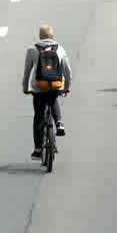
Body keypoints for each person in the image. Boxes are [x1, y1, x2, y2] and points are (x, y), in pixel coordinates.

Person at [23, 24, 72, 159]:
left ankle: (38, 148)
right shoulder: (60, 49)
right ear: (52, 36)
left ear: (40, 36)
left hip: (39, 87)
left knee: (39, 115)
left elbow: (27, 71)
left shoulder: (32, 49)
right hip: (56, 85)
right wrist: (66, 87)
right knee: (53, 99)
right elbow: (67, 71)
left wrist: (25, 88)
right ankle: (59, 122)